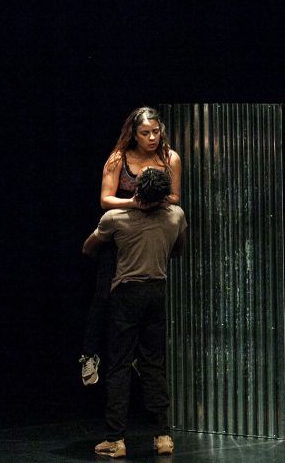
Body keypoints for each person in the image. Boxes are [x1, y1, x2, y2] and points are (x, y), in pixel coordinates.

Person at [82, 167, 186, 458]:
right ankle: (162, 436)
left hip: (126, 293)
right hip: (157, 291)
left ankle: (116, 439)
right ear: (164, 195)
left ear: (137, 191)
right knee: (154, 363)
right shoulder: (176, 215)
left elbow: (88, 248)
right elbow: (179, 250)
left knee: (120, 364)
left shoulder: (115, 218)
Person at [79, 107, 181, 386]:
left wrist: (155, 201)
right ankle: (89, 354)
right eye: (145, 133)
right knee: (105, 294)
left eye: (156, 132)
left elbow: (175, 196)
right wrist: (135, 203)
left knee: (143, 297)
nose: (152, 138)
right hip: (121, 229)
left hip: (149, 230)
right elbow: (105, 199)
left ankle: (136, 354)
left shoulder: (169, 157)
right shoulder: (119, 159)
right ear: (134, 134)